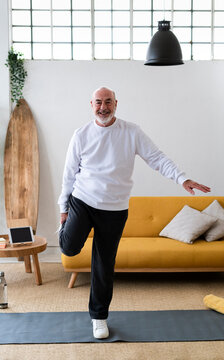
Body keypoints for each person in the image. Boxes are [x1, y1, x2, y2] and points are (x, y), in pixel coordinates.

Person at [58, 87, 211, 339]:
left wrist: (182, 179)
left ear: (116, 104)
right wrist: (63, 209)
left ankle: (99, 317)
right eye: (98, 102)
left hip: (114, 209)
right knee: (69, 248)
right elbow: (68, 174)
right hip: (83, 200)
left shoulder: (131, 132)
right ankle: (65, 231)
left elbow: (157, 158)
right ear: (91, 104)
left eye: (108, 102)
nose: (103, 107)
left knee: (104, 264)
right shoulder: (81, 134)